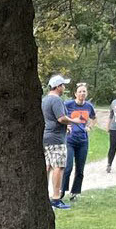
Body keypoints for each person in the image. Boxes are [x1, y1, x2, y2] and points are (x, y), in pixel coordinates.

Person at [42, 73, 73, 210]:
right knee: (58, 167)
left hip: (46, 137)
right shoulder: (56, 100)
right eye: (63, 85)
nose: (64, 87)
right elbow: (61, 118)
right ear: (58, 86)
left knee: (48, 166)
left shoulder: (44, 100)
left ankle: (42, 195)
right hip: (56, 138)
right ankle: (55, 198)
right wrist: (73, 121)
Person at [64, 82, 95, 197]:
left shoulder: (89, 106)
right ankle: (62, 191)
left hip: (83, 140)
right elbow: (60, 116)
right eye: (80, 91)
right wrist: (66, 125)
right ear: (75, 94)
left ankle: (75, 192)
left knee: (80, 169)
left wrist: (89, 126)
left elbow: (94, 118)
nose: (82, 93)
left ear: (86, 94)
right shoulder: (68, 104)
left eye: (84, 91)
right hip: (70, 139)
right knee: (68, 167)